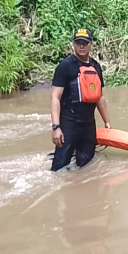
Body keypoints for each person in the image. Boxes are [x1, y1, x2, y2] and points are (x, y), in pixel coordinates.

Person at [50, 28, 111, 171]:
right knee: (58, 169)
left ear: (91, 45)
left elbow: (99, 97)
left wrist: (107, 122)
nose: (81, 46)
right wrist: (56, 127)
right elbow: (55, 97)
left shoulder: (96, 67)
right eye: (78, 43)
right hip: (69, 124)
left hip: (89, 125)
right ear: (74, 45)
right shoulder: (65, 66)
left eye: (85, 43)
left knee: (86, 166)